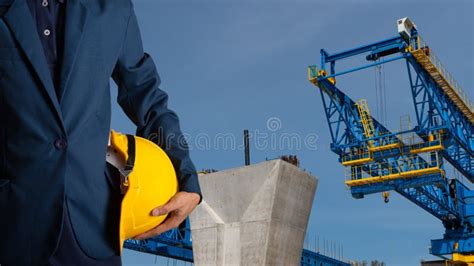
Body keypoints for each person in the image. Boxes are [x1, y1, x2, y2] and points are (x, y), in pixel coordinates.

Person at [0, 0, 202, 265]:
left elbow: (148, 99)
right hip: (12, 227)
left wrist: (187, 179)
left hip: (93, 228)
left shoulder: (113, 9)